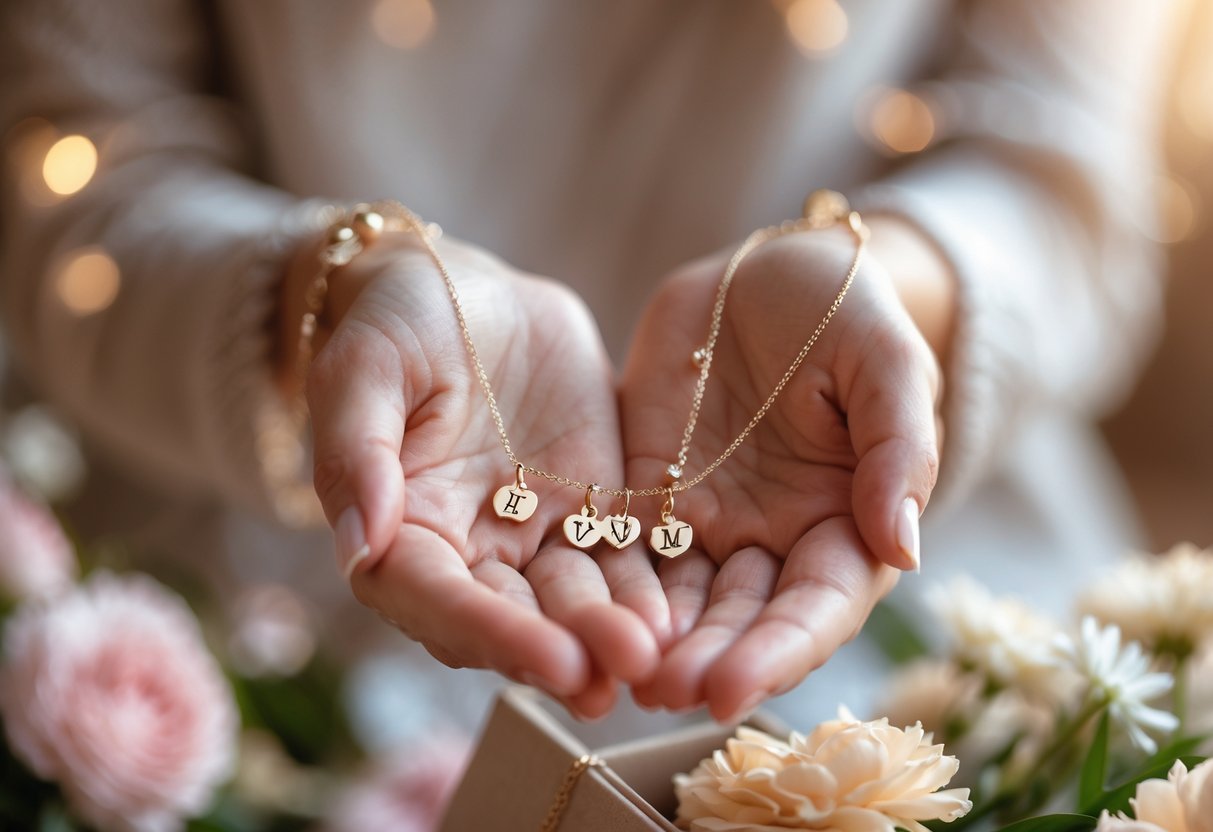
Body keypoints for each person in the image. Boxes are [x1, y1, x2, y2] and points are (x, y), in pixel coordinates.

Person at [0, 0, 1176, 727]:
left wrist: (896, 288)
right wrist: (332, 297)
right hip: (244, 624)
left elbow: (1064, 183)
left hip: (919, 601)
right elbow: (76, 180)